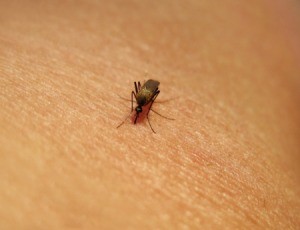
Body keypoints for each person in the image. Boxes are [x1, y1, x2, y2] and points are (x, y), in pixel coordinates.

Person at [0, 0, 299, 229]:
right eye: (137, 111)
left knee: (148, 99)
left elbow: (149, 96)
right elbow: (139, 100)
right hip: (146, 90)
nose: (136, 113)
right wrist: (135, 107)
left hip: (150, 90)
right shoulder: (137, 101)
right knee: (138, 96)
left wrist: (148, 108)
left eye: (138, 111)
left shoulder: (147, 98)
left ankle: (153, 109)